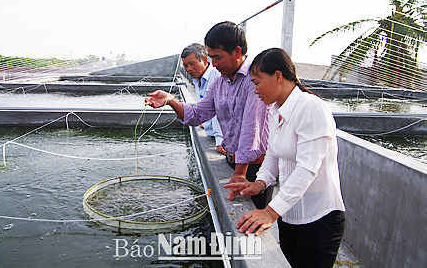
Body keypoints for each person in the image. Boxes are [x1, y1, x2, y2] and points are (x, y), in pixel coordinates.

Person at [224, 48, 346, 268]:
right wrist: (259, 183)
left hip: (319, 219)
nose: (255, 90)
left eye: (257, 82)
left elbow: (307, 168)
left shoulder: (310, 107)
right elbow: (273, 153)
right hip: (290, 215)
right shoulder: (275, 110)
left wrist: (270, 212)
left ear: (278, 76)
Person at [146, 21, 273, 209]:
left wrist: (240, 174)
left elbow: (251, 128)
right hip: (234, 162)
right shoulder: (220, 82)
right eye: (211, 57)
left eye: (218, 57)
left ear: (237, 52)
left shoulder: (255, 78)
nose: (214, 64)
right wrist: (171, 100)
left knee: (251, 222)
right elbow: (197, 115)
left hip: (254, 167)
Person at [181, 43, 224, 154]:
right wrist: (205, 122)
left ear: (205, 60)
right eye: (185, 65)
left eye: (192, 64)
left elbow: (219, 110)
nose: (189, 69)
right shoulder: (197, 78)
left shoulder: (216, 76)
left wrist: (220, 141)